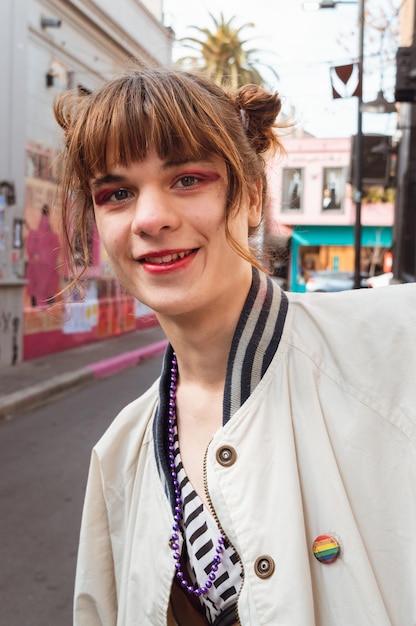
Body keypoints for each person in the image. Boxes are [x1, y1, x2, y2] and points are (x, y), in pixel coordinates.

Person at [53, 67, 416, 626]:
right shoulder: (119, 454)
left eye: (188, 179)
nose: (150, 219)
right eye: (118, 193)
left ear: (249, 197)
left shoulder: (395, 344)